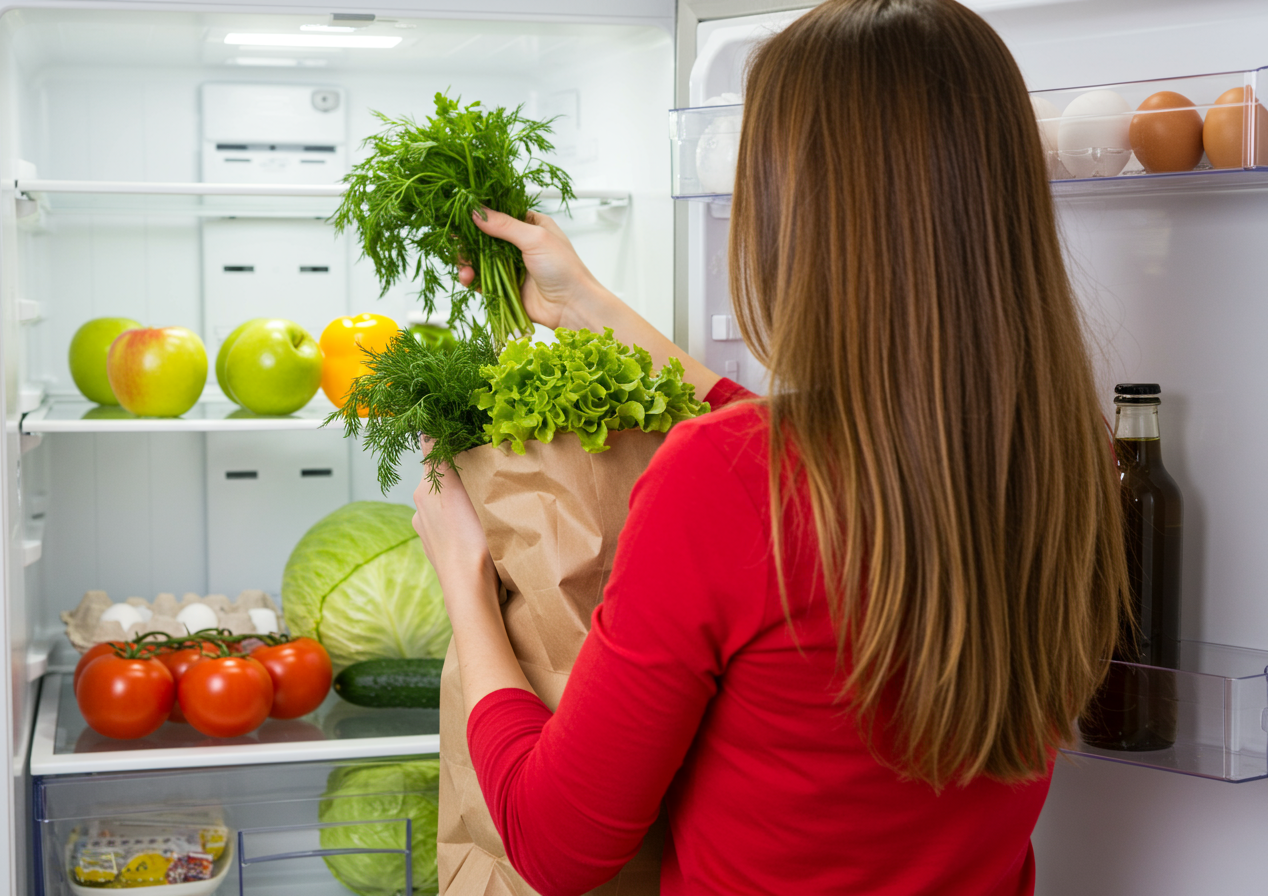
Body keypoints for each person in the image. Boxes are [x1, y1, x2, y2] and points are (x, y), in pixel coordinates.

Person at [412, 0, 1128, 893]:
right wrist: (587, 304)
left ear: (796, 215)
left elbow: (554, 843)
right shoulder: (1070, 461)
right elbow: (836, 471)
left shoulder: (721, 482)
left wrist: (465, 581)